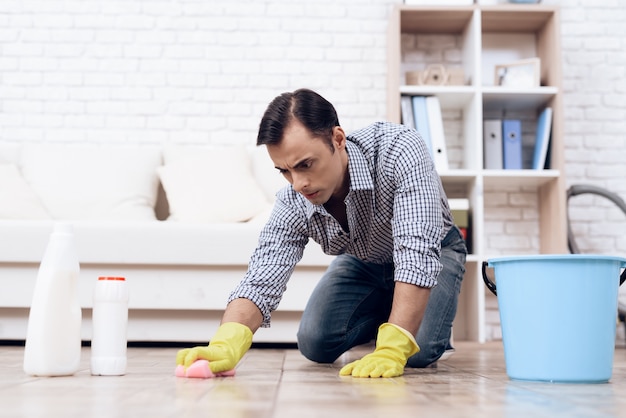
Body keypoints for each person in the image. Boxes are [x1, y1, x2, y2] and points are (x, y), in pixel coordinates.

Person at [176, 88, 467, 378]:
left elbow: (416, 250)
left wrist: (393, 348)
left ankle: (407, 320)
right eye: (285, 171)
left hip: (434, 251)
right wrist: (226, 341)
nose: (298, 184)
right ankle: (392, 312)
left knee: (417, 351)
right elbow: (261, 278)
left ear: (337, 139)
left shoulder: (399, 149)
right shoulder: (293, 201)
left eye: (305, 165)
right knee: (315, 342)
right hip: (364, 260)